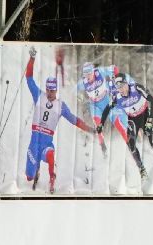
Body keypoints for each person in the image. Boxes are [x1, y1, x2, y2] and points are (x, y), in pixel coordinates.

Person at [22, 48, 97, 194]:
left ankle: (52, 179)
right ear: (46, 89)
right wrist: (32, 58)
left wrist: (90, 129)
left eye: (53, 91)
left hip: (46, 143)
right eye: (48, 90)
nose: (50, 94)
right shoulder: (39, 95)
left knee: (50, 156)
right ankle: (34, 171)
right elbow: (29, 78)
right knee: (29, 178)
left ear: (56, 90)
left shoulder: (60, 106)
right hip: (34, 143)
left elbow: (74, 120)